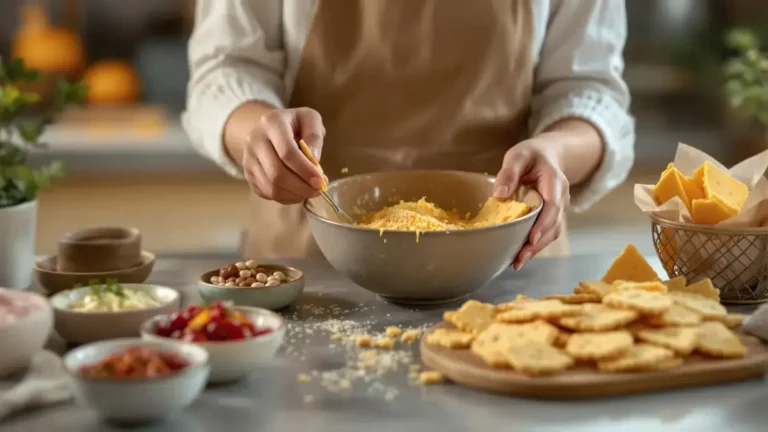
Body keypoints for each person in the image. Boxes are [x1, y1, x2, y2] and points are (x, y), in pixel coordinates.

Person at [183, 0, 635, 270]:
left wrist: (555, 151)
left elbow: (588, 90)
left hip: (505, 263)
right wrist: (259, 135)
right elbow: (226, 71)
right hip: (313, 259)